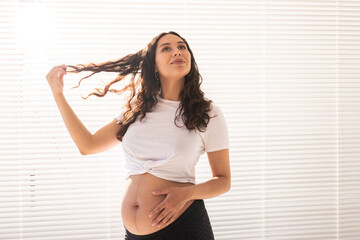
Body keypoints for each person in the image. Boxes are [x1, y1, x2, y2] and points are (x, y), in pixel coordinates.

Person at [46, 31, 230, 240]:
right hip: (134, 234)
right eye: (166, 48)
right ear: (153, 65)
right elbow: (88, 146)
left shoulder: (207, 112)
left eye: (182, 46)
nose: (177, 51)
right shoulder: (137, 111)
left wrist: (188, 193)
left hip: (183, 226)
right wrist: (58, 94)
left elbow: (223, 181)